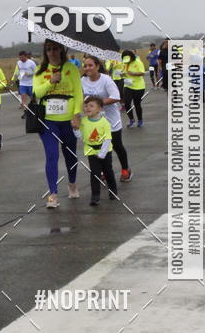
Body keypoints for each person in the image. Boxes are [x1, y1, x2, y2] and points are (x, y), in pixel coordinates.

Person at [33, 40, 83, 208]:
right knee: (52, 156)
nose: (52, 52)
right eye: (49, 49)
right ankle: (53, 194)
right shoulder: (40, 71)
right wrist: (50, 81)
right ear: (45, 52)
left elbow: (78, 93)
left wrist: (76, 115)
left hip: (68, 120)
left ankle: (72, 183)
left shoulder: (71, 68)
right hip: (48, 121)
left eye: (55, 49)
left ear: (61, 50)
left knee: (70, 155)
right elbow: (37, 92)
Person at [80, 57, 132, 182]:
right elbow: (82, 96)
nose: (87, 68)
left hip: (111, 119)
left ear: (97, 66)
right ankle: (103, 171)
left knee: (117, 146)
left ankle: (125, 170)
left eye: (90, 65)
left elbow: (116, 96)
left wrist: (97, 104)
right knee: (98, 146)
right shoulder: (83, 80)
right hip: (94, 120)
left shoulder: (106, 79)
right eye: (85, 66)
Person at [75, 95, 118, 207]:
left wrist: (102, 154)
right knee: (95, 174)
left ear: (99, 109)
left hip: (105, 151)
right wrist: (76, 130)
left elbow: (108, 139)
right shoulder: (84, 121)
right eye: (86, 106)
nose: (87, 108)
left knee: (108, 172)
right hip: (91, 151)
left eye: (91, 106)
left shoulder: (105, 122)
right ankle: (95, 196)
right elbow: (82, 136)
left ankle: (113, 191)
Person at [122, 50, 146, 126]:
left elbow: (142, 73)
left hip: (138, 87)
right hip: (127, 85)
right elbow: (124, 71)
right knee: (126, 103)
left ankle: (140, 120)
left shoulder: (138, 62)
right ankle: (131, 119)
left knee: (137, 104)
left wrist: (134, 73)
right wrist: (122, 74)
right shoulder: (125, 63)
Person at [12, 49, 37, 117]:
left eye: (22, 57)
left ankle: (35, 110)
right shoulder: (19, 63)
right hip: (22, 83)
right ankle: (25, 112)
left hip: (31, 83)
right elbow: (19, 71)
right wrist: (18, 77)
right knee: (23, 97)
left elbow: (36, 72)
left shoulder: (31, 63)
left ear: (26, 56)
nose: (21, 59)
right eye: (20, 57)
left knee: (32, 98)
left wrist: (29, 73)